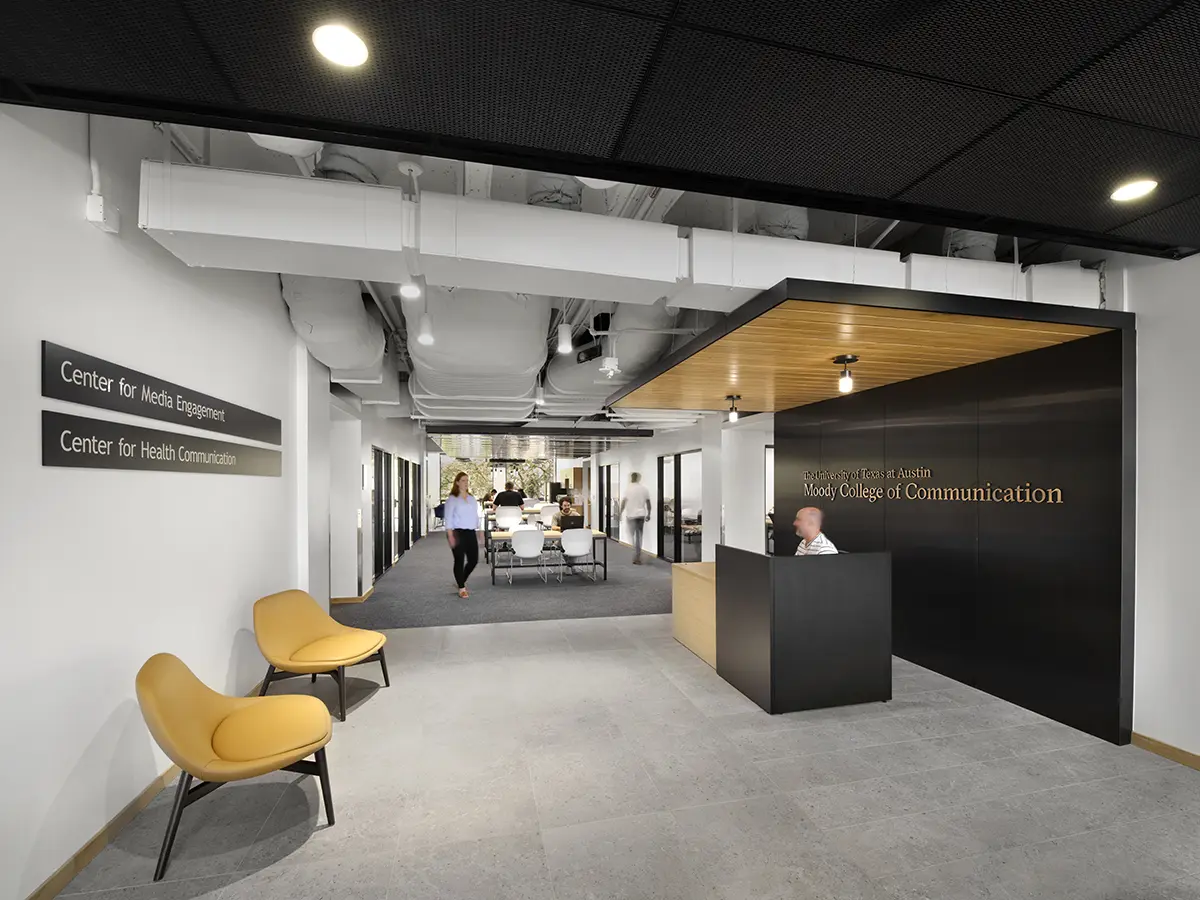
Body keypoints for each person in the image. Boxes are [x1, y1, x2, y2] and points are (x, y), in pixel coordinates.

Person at [444, 472, 481, 598]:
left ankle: (461, 580)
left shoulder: (471, 498)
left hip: (470, 532)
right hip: (456, 532)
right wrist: (450, 535)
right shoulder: (452, 499)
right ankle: (461, 588)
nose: (466, 483)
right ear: (457, 482)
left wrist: (479, 530)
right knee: (459, 560)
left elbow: (475, 515)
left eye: (467, 480)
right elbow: (448, 518)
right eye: (463, 480)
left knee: (473, 560)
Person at [619, 471, 651, 564]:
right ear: (638, 478)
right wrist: (648, 513)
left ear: (631, 478)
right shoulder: (644, 489)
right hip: (641, 515)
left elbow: (623, 502)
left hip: (631, 516)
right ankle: (637, 555)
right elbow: (648, 502)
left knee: (631, 535)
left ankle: (636, 554)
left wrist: (620, 513)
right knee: (639, 536)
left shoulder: (628, 489)